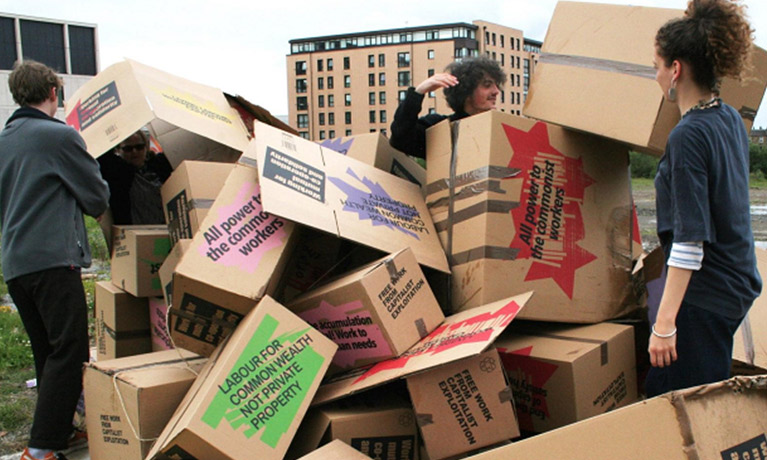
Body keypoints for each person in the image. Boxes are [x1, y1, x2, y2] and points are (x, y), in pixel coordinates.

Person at [647, 0, 762, 397]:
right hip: (736, 284)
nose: (656, 74)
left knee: (675, 408)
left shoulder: (687, 136)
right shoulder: (728, 117)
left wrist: (664, 326)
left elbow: (691, 241)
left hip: (706, 296)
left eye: (658, 65)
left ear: (676, 69)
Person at [0, 60, 109, 460]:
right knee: (70, 349)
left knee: (47, 353)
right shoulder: (59, 136)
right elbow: (96, 196)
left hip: (15, 265)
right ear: (53, 94)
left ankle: (58, 432)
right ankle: (42, 447)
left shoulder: (4, 139)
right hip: (52, 261)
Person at [389, 56, 506, 158]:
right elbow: (400, 138)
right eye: (487, 85)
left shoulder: (503, 130)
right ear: (466, 91)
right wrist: (419, 92)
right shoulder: (440, 129)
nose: (496, 91)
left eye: (496, 86)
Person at [97, 130, 172, 225]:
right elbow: (102, 158)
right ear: (118, 151)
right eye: (128, 149)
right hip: (133, 232)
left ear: (146, 147)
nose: (134, 152)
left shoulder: (160, 166)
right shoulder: (117, 174)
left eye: (139, 147)